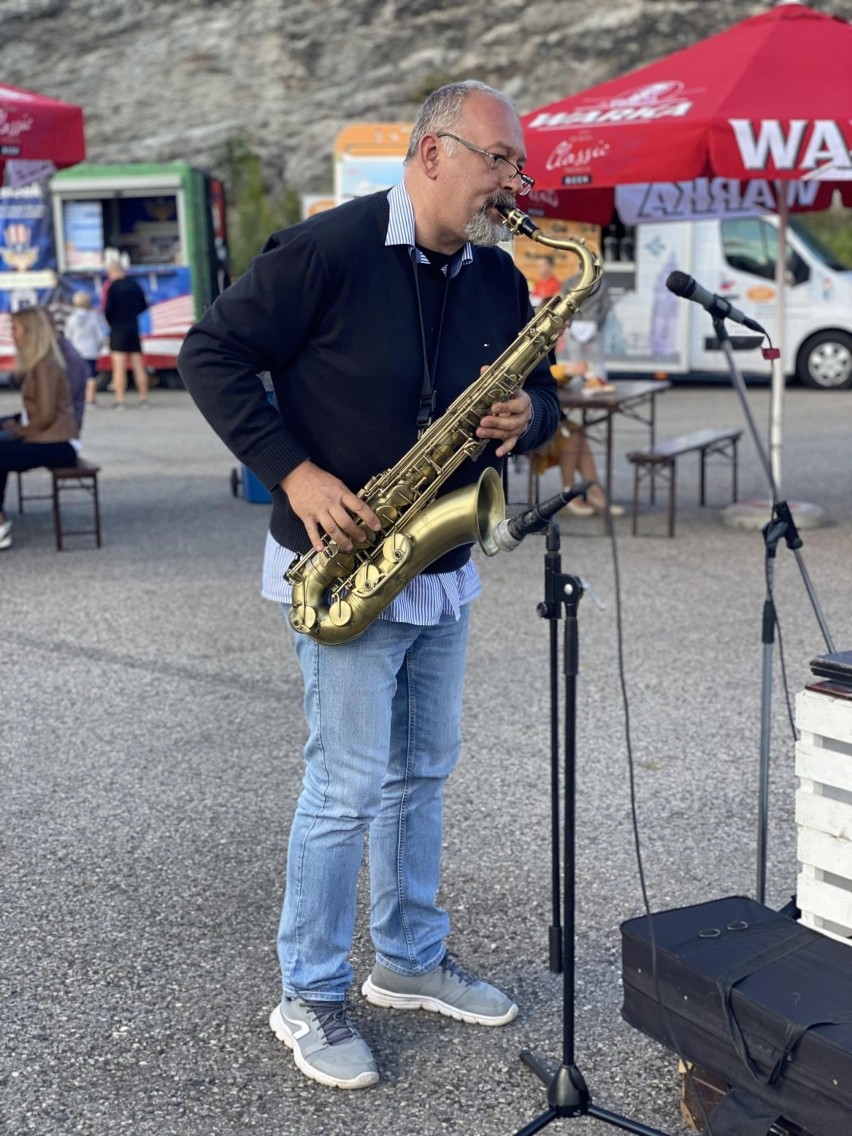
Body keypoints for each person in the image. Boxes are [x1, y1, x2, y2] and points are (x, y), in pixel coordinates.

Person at [177, 80, 560, 1090]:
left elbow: (544, 386)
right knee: (343, 787)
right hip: (344, 556)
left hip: (442, 558)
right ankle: (307, 990)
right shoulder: (329, 249)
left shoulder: (497, 275)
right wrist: (291, 470)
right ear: (434, 153)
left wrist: (537, 418)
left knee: (423, 769)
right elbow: (210, 350)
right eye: (498, 160)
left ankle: (408, 957)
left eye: (516, 164)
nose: (514, 182)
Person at [0, 307, 79, 550]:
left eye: (15, 328)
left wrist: (17, 431)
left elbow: (45, 416)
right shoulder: (40, 363)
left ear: (31, 332)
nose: (12, 334)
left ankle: (0, 524)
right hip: (47, 437)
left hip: (58, 444)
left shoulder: (46, 365)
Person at [529, 361, 625, 518]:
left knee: (577, 432)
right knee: (571, 435)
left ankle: (593, 490)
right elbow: (535, 374)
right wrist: (565, 370)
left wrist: (569, 373)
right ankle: (570, 492)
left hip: (543, 416)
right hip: (528, 423)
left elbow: (549, 378)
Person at [103, 251, 149, 409]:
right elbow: (143, 305)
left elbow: (107, 310)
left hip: (117, 329)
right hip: (133, 327)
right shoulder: (135, 285)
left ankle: (120, 400)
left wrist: (112, 322)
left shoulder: (112, 288)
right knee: (138, 365)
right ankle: (144, 399)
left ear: (113, 271)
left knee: (119, 367)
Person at [64, 291, 106, 409]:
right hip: (91, 350)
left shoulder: (71, 319)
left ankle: (76, 399)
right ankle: (90, 401)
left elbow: (68, 336)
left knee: (76, 376)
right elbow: (100, 336)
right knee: (91, 377)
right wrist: (99, 347)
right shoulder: (94, 318)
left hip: (76, 351)